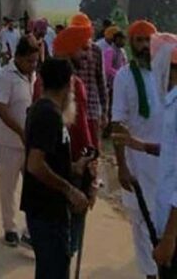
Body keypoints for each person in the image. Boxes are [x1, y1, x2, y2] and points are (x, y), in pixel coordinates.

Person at [21, 58, 92, 279]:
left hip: (50, 210)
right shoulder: (47, 114)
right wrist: (69, 190)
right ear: (69, 84)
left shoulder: (48, 112)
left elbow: (48, 161)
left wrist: (75, 167)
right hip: (46, 211)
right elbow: (35, 165)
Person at [112, 20, 162, 278]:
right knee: (142, 224)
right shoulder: (124, 77)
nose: (144, 46)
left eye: (148, 41)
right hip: (137, 166)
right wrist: (120, 166)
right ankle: (150, 274)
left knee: (162, 223)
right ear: (131, 44)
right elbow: (117, 122)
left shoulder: (164, 74)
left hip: (163, 163)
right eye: (139, 41)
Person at [0, 37, 39, 247]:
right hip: (9, 142)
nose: (33, 65)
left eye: (35, 61)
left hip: (30, 143)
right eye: (29, 61)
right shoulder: (5, 76)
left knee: (32, 188)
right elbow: (0, 108)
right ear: (18, 57)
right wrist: (20, 131)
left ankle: (31, 229)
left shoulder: (34, 76)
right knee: (8, 187)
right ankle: (9, 227)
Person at [71, 14, 108, 146]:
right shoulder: (68, 50)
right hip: (72, 108)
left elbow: (101, 82)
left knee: (92, 149)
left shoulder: (96, 50)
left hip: (92, 109)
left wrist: (104, 111)